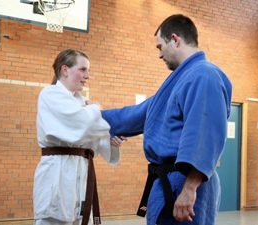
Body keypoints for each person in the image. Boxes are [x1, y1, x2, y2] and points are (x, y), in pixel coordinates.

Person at [102, 14, 232, 225]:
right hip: (168, 183)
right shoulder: (179, 81)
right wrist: (90, 115)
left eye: (160, 47)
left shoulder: (204, 75)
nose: (159, 55)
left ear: (175, 39)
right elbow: (135, 115)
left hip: (186, 185)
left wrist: (190, 188)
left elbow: (204, 135)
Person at [33, 49, 123, 225]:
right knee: (55, 218)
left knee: (81, 218)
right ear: (65, 70)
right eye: (82, 69)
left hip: (81, 171)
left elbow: (92, 139)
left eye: (88, 71)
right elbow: (82, 123)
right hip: (58, 171)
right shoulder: (50, 94)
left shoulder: (83, 103)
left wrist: (110, 141)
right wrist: (98, 113)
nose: (87, 76)